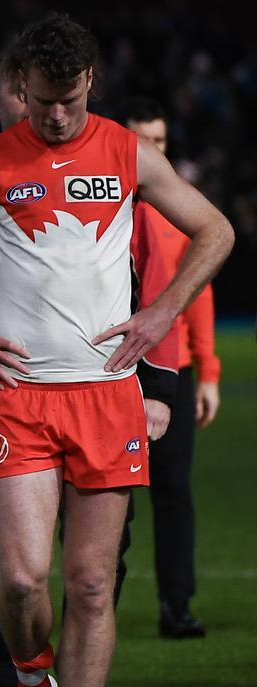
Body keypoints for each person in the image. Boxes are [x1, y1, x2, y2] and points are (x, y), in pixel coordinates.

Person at [0, 14, 232, 687]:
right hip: (22, 397)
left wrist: (163, 312)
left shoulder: (128, 153)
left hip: (107, 395)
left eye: (70, 99)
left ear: (90, 83)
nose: (59, 115)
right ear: (21, 87)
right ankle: (33, 682)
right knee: (19, 580)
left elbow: (214, 230)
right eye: (43, 101)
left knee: (94, 584)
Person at [123, 98, 221, 639]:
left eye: (158, 142)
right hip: (112, 371)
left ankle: (176, 605)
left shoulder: (178, 209)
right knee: (102, 496)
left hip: (173, 371)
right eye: (142, 140)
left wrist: (208, 370)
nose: (151, 151)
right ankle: (93, 605)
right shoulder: (109, 208)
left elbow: (198, 295)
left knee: (173, 490)